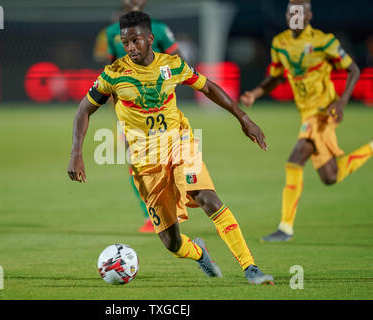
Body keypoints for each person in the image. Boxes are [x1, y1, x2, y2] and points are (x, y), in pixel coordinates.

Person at [68, 11, 274, 284]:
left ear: (150, 39)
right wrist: (76, 154)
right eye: (126, 42)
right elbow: (84, 110)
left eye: (136, 41)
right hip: (145, 163)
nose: (130, 48)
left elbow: (208, 87)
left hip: (179, 144)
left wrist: (243, 118)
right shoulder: (113, 75)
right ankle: (200, 253)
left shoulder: (173, 65)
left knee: (208, 199)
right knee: (171, 242)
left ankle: (250, 268)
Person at [240, 0, 372, 242]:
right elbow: (276, 77)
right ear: (287, 15)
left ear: (309, 15)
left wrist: (341, 103)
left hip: (323, 112)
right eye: (292, 12)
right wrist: (255, 94)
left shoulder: (325, 41)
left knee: (295, 159)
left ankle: (285, 228)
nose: (296, 16)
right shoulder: (280, 43)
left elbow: (353, 69)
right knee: (330, 176)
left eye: (300, 12)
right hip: (307, 113)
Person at [97, 0, 182, 233]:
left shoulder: (160, 29)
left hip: (161, 110)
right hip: (131, 111)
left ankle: (174, 207)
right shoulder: (112, 32)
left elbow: (178, 61)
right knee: (135, 162)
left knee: (169, 161)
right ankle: (151, 215)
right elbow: (111, 68)